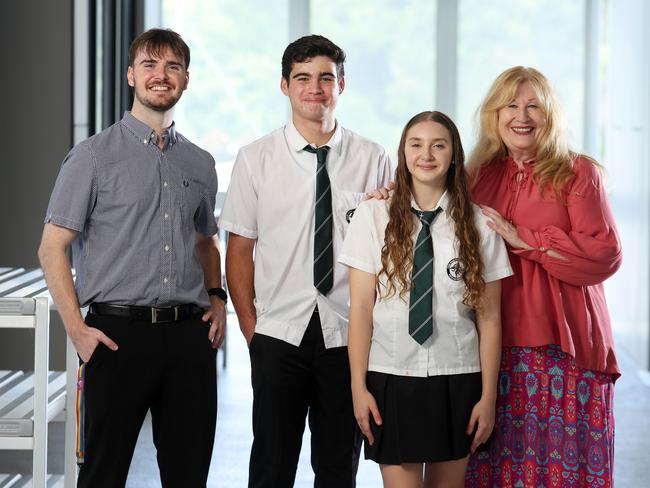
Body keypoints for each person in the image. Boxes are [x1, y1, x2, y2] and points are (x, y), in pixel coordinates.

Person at [37, 28, 226, 488]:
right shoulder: (92, 158)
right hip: (115, 338)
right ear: (130, 75)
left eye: (172, 67)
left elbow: (205, 242)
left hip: (188, 339)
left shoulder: (200, 163)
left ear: (185, 79)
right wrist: (77, 330)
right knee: (103, 473)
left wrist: (218, 297)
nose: (161, 76)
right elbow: (52, 247)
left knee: (189, 474)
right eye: (150, 65)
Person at [220, 35, 392, 487]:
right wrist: (252, 330)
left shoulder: (373, 158)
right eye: (302, 78)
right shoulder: (255, 159)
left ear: (341, 84)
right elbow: (240, 250)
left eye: (325, 77)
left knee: (338, 467)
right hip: (278, 334)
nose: (314, 87)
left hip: (348, 337)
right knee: (271, 465)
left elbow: (392, 250)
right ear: (284, 85)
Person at [464, 66, 622, 487]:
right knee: (494, 466)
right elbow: (426, 203)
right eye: (511, 105)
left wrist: (526, 241)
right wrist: (386, 195)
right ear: (494, 115)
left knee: (562, 473)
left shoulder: (577, 171)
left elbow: (605, 254)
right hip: (492, 343)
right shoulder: (476, 174)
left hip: (564, 345)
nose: (523, 115)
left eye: (534, 105)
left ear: (550, 114)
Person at [339, 111, 512, 488]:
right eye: (416, 144)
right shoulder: (372, 216)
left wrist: (488, 397)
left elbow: (490, 319)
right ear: (403, 153)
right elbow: (361, 312)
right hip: (391, 377)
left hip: (458, 378)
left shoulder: (480, 224)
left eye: (439, 144)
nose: (427, 154)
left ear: (454, 154)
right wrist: (358, 388)